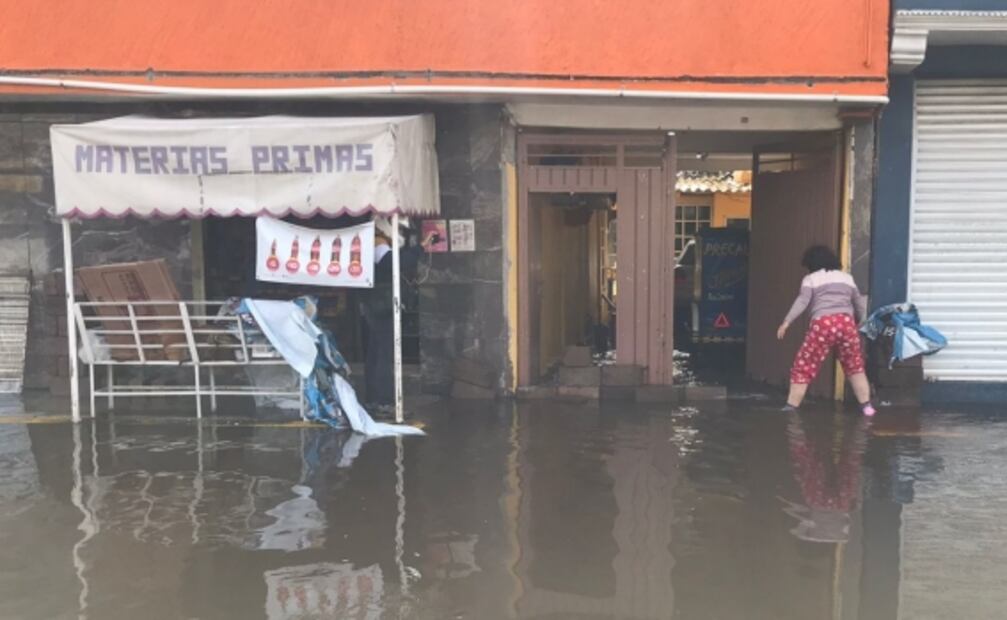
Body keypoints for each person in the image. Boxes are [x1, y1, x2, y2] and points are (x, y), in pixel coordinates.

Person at [776, 245, 875, 416]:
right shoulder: (847, 278)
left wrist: (786, 322)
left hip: (823, 324)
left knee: (804, 366)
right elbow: (858, 303)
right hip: (846, 323)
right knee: (854, 366)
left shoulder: (811, 279)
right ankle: (867, 407)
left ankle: (791, 408)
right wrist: (860, 323)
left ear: (811, 264)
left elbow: (802, 301)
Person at [360, 219, 435, 412]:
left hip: (376, 302)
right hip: (380, 304)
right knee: (383, 353)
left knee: (377, 351)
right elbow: (392, 263)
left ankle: (375, 398)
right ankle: (383, 400)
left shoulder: (377, 240)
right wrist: (420, 248)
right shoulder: (377, 241)